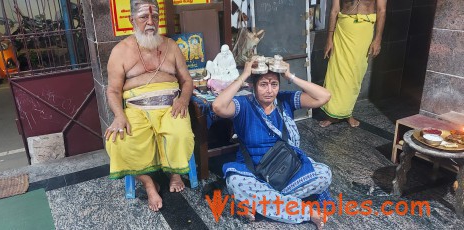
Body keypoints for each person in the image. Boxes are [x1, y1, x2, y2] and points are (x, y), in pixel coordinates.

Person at [211, 59, 333, 229]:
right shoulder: (244, 104)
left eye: (274, 84)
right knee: (236, 183)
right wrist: (244, 75)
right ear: (253, 86)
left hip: (284, 168)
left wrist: (290, 75)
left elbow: (324, 96)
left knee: (324, 174)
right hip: (252, 171)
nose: (269, 90)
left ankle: (258, 204)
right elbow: (217, 106)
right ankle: (305, 211)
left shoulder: (284, 101)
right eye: (263, 84)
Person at [105, 0, 194, 212]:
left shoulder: (171, 46)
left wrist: (183, 100)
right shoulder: (120, 51)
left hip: (171, 106)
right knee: (117, 141)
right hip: (135, 110)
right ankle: (148, 183)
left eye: (155, 17)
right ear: (131, 20)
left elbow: (187, 81)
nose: (151, 22)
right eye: (144, 17)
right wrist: (119, 115)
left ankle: (174, 173)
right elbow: (113, 91)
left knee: (180, 134)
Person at [319, 0, 387, 127]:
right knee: (337, 72)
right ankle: (331, 115)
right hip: (343, 29)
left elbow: (381, 10)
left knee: (355, 73)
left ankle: (347, 113)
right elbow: (334, 10)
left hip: (364, 30)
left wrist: (378, 39)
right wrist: (329, 39)